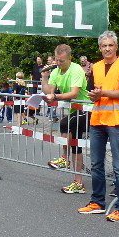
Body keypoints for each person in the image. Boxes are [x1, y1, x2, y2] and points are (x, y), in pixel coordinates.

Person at [76, 32, 119, 219]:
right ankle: (98, 202)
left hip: (116, 121)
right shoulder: (97, 67)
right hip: (98, 119)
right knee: (96, 164)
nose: (107, 49)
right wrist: (93, 95)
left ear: (116, 47)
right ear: (100, 48)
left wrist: (103, 94)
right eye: (104, 46)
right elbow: (93, 90)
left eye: (110, 45)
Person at [43, 44, 91, 195]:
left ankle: (66, 160)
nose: (58, 63)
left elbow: (74, 93)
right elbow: (49, 91)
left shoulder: (76, 69)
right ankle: (76, 179)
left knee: (67, 123)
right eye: (57, 60)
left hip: (87, 109)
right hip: (74, 111)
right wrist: (44, 78)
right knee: (70, 134)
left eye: (62, 61)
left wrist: (55, 96)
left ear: (70, 58)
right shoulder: (56, 71)